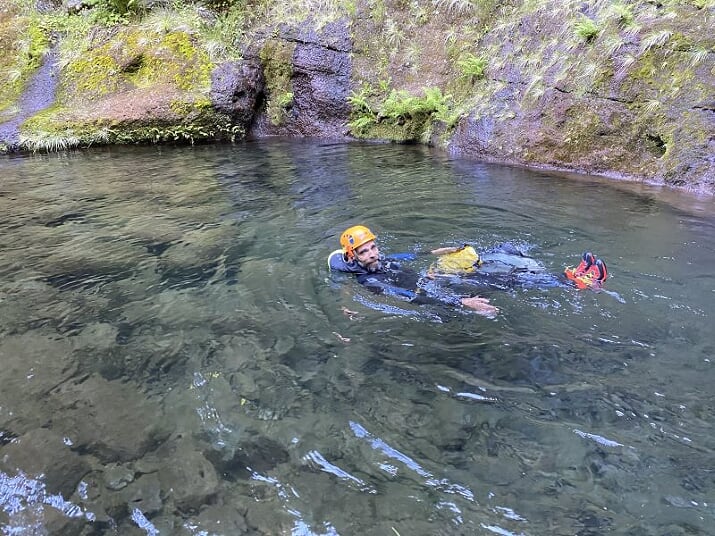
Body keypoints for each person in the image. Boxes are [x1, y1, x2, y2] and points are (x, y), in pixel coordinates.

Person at [328, 225, 499, 318]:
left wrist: (450, 250)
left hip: (431, 280)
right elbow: (408, 296)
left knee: (487, 278)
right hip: (427, 295)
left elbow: (414, 255)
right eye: (364, 252)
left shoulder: (385, 260)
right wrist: (460, 302)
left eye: (373, 247)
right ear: (352, 256)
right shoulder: (368, 281)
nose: (372, 254)